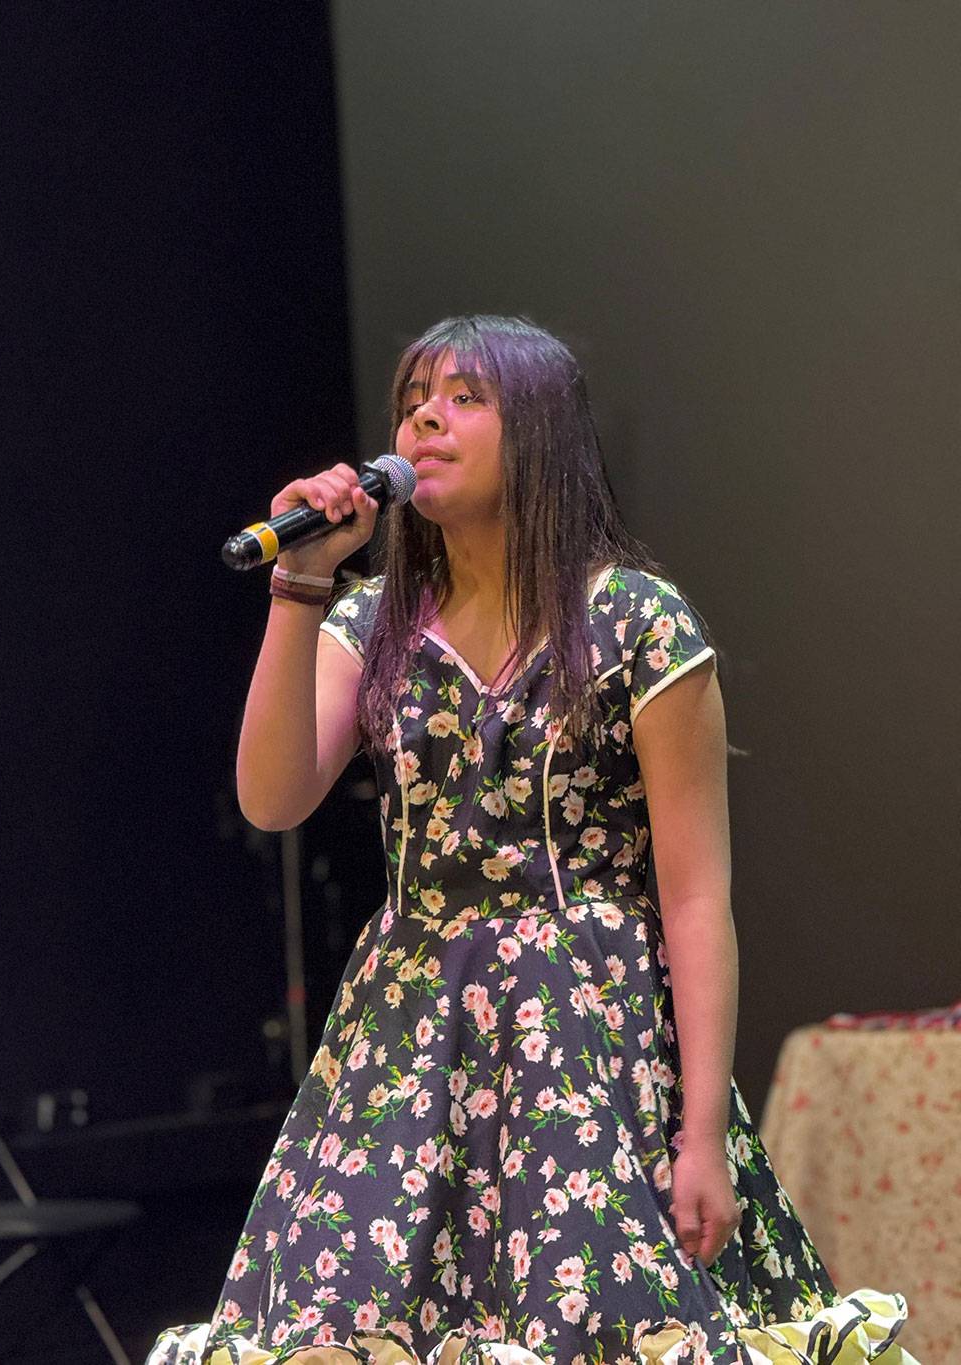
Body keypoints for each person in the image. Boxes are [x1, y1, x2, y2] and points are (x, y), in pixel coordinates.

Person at [150, 317, 916, 1365]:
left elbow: (696, 898)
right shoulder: (372, 622)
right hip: (408, 1039)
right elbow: (273, 798)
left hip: (585, 1041)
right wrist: (302, 582)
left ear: (543, 432)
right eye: (413, 400)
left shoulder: (636, 622)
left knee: (593, 1325)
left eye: (466, 398)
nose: (425, 418)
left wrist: (701, 1133)